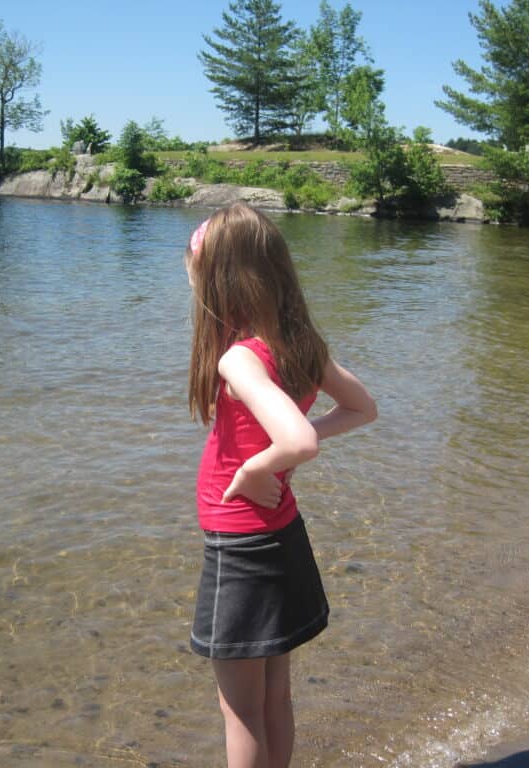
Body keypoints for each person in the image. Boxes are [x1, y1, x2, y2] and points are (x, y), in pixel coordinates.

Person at [184, 203, 378, 768]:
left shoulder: (241, 359)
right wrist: (277, 458)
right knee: (274, 695)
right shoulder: (297, 343)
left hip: (240, 546)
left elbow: (299, 441)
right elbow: (362, 409)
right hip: (282, 535)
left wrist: (254, 469)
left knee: (239, 710)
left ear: (222, 281)